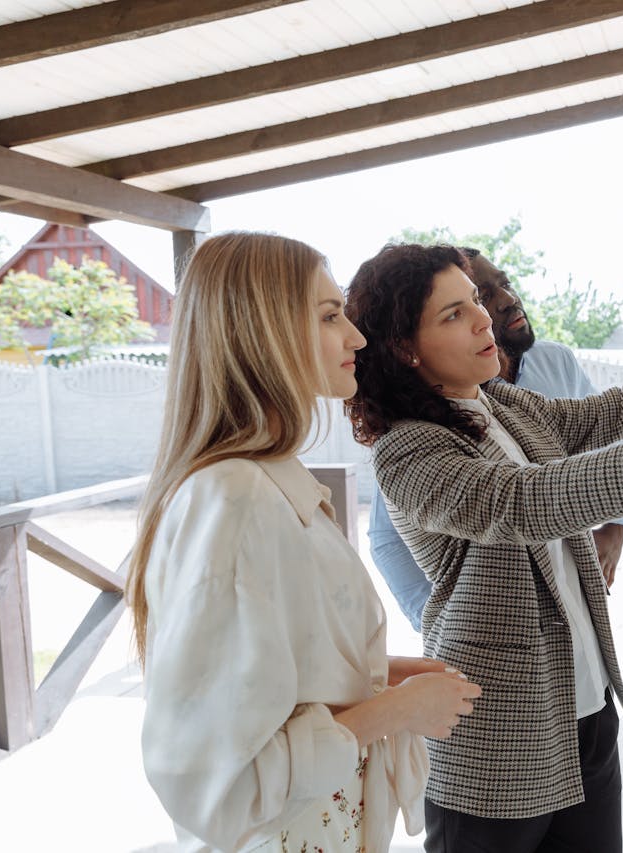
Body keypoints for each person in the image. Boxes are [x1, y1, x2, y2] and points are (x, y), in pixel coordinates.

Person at [343, 243, 623, 852]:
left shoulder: (498, 403)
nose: (482, 318)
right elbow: (525, 502)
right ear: (403, 348)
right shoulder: (407, 450)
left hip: (584, 706)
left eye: (474, 301)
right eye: (452, 314)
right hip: (496, 738)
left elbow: (610, 413)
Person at [125, 232, 482, 853]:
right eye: (328, 316)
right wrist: (396, 711)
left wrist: (383, 676)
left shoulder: (264, 482)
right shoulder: (232, 499)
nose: (356, 337)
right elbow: (220, 781)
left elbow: (271, 680)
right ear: (260, 333)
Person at [368, 248, 623, 631]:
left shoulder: (542, 371)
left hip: (573, 615)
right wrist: (446, 629)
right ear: (410, 347)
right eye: (462, 308)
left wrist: (615, 524)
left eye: (486, 293)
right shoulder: (410, 441)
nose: (500, 304)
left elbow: (604, 425)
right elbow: (529, 500)